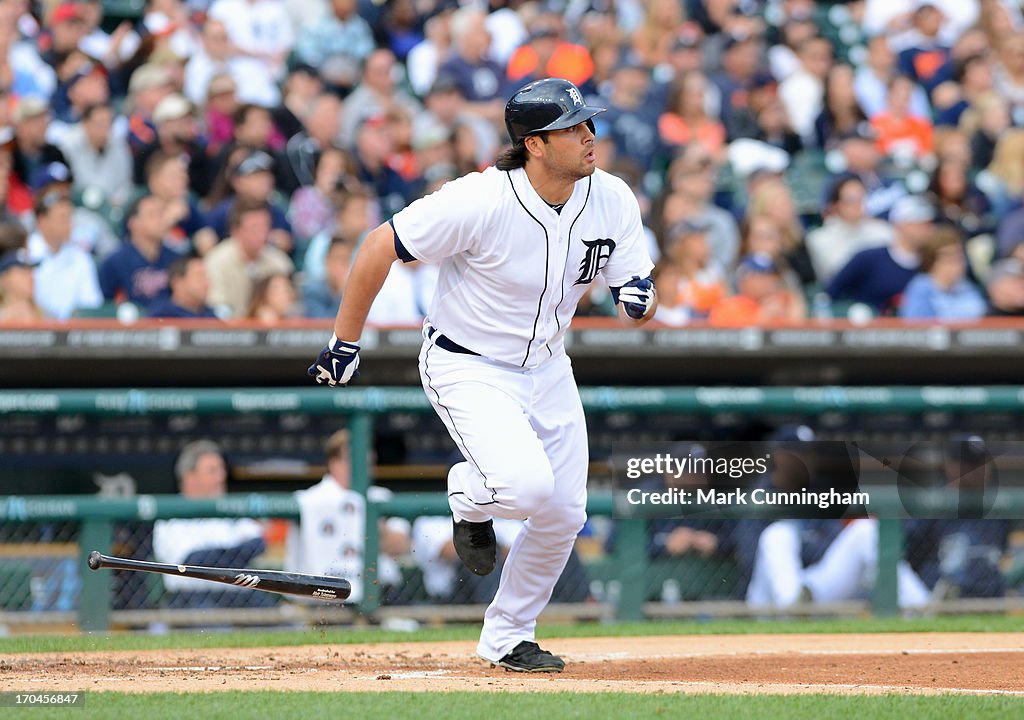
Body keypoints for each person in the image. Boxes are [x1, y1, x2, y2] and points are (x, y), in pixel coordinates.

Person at [308, 78, 656, 672]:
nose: (589, 135)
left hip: (548, 364)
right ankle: (468, 498)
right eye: (572, 127)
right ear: (536, 145)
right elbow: (377, 245)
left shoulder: (612, 196)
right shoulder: (479, 199)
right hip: (467, 362)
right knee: (524, 488)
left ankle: (507, 636)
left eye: (587, 123)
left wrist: (637, 295)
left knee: (566, 514)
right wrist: (345, 341)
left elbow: (636, 280)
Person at [285, 430, 410, 605]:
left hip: (383, 593)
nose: (364, 465)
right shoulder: (308, 499)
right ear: (334, 463)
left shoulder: (380, 496)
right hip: (323, 597)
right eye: (355, 459)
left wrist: (377, 529)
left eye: (368, 459)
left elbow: (401, 545)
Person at [152, 440, 270, 608]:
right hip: (191, 599)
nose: (221, 476)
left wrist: (215, 557)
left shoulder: (229, 506)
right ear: (190, 476)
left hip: (240, 596)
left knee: (289, 626)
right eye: (212, 471)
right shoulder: (170, 515)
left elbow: (258, 544)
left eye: (221, 469)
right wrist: (235, 556)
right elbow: (192, 562)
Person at [204, 198, 294, 317]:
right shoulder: (217, 261)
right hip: (230, 331)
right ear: (235, 231)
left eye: (265, 226)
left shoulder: (279, 262)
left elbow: (294, 307)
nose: (262, 233)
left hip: (271, 330)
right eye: (254, 227)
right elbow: (216, 307)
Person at [98, 193, 180, 308]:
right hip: (132, 323)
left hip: (170, 322)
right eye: (152, 215)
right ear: (133, 222)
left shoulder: (175, 259)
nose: (161, 221)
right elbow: (104, 306)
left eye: (162, 215)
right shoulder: (115, 262)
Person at [899, 227, 987, 320]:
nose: (956, 262)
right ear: (932, 260)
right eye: (948, 257)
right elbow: (916, 325)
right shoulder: (921, 287)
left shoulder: (967, 287)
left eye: (959, 256)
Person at [146, 255, 218, 318]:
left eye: (206, 277)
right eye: (199, 277)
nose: (206, 283)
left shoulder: (211, 316)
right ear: (178, 283)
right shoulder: (160, 318)